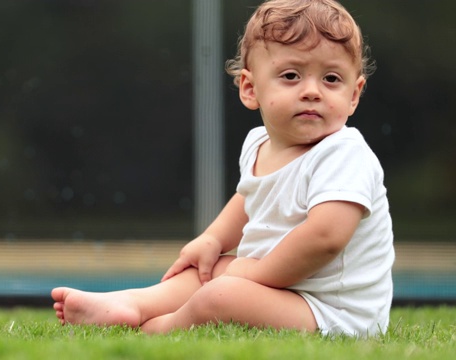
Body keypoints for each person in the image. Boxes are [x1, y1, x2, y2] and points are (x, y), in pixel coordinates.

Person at [51, 0, 395, 337]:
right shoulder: (259, 144)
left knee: (223, 293)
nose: (311, 91)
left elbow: (326, 238)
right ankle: (131, 304)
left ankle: (158, 328)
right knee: (208, 268)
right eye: (291, 75)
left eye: (331, 79)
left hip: (332, 313)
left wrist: (256, 274)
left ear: (354, 94)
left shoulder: (344, 154)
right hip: (282, 287)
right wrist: (212, 238)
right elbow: (249, 199)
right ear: (250, 88)